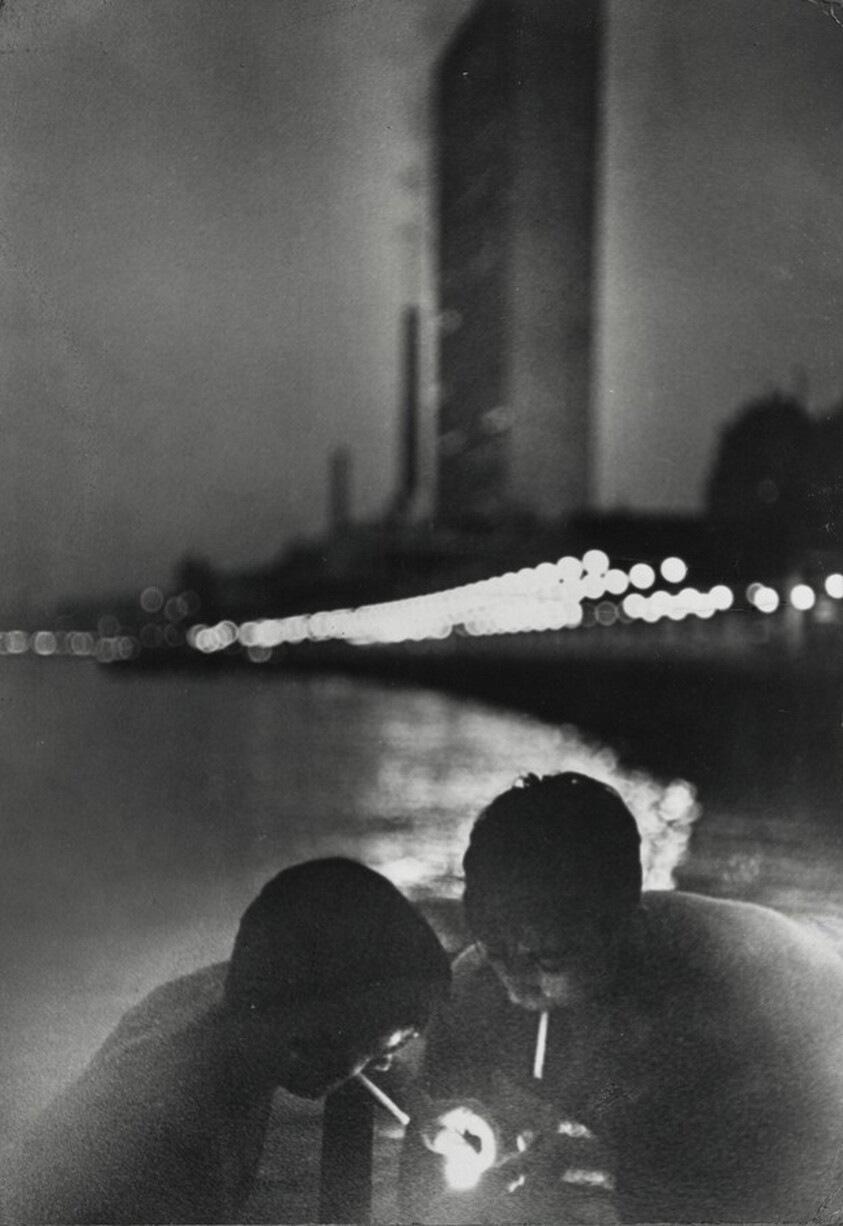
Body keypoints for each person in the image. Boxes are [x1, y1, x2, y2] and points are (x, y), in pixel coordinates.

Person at [400, 772, 843, 1224]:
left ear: (622, 927)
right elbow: (424, 1165)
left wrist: (575, 1137)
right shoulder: (476, 983)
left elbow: (737, 1189)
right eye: (494, 950)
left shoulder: (721, 998)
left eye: (549, 960)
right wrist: (464, 1125)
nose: (516, 984)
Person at [6, 857, 451, 1225]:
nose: (387, 1064)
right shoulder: (170, 1151)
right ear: (318, 1035)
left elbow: (346, 1047)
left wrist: (427, 1112)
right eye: (393, 1044)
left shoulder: (240, 998)